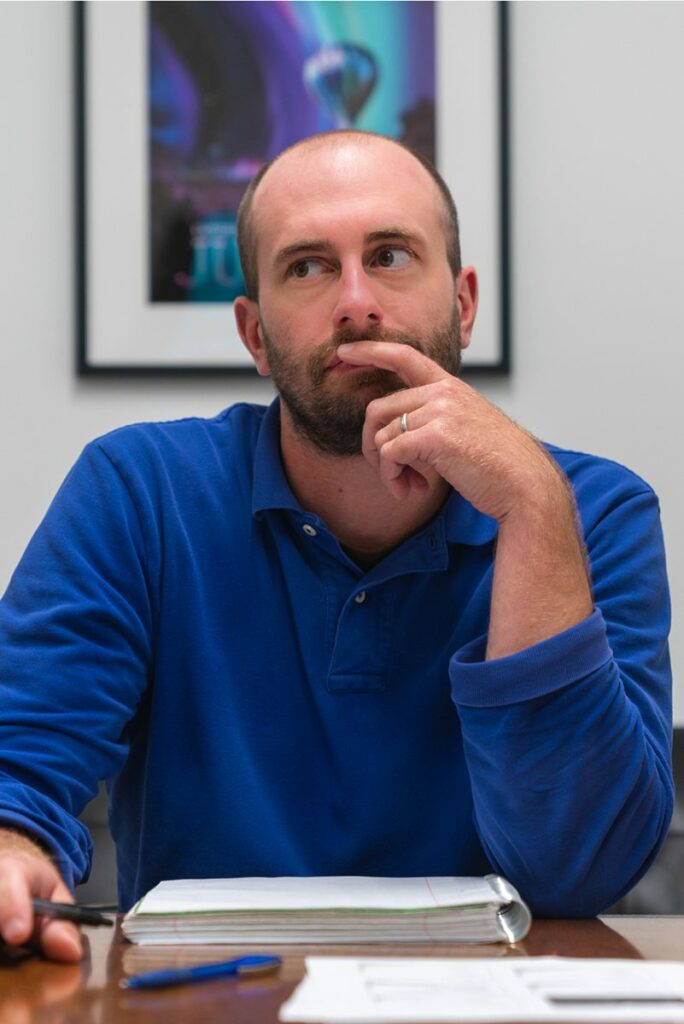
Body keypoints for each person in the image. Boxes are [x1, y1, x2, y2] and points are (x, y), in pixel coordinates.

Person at [0, 131, 673, 963]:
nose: (356, 302)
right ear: (254, 334)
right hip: (202, 1008)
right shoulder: (139, 491)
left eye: (390, 255)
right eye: (309, 267)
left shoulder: (592, 512)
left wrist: (533, 510)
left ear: (463, 303)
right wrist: (14, 847)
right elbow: (20, 762)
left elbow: (581, 875)